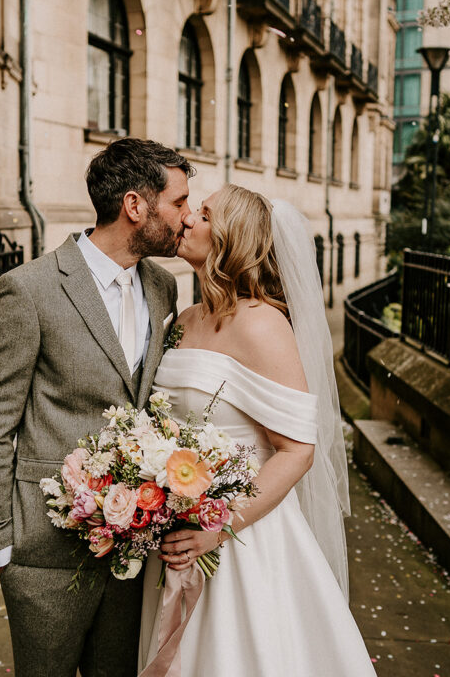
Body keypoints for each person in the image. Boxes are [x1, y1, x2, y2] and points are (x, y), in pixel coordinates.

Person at [0, 138, 194, 677]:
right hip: (44, 546)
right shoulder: (29, 289)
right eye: (180, 202)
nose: (187, 218)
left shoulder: (163, 287)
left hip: (133, 548)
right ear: (136, 206)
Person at [138, 185, 377, 677]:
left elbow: (297, 451)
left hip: (242, 541)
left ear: (230, 239)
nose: (186, 220)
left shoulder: (262, 323)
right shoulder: (182, 320)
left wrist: (216, 527)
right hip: (176, 531)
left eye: (202, 214)